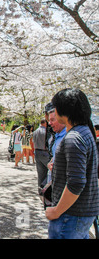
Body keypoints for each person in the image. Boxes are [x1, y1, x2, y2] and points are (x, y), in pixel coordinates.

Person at [46, 88, 99, 239]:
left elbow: (76, 183)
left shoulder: (73, 138)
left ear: (64, 110)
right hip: (82, 212)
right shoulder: (85, 131)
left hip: (70, 215)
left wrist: (56, 211)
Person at [33, 119, 51, 189]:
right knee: (51, 170)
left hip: (37, 152)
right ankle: (44, 185)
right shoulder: (46, 131)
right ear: (45, 123)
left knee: (40, 173)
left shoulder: (35, 132)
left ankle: (40, 188)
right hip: (45, 152)